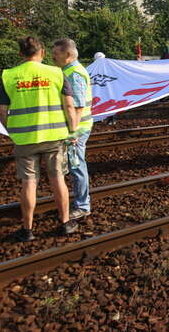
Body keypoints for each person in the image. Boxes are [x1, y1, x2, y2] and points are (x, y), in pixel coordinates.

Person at [0, 37, 78, 241]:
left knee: (29, 183)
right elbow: (69, 106)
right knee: (58, 179)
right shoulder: (56, 73)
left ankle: (27, 230)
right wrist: (73, 131)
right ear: (41, 52)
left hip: (24, 139)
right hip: (54, 137)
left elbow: (1, 110)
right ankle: (65, 223)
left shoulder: (9, 76)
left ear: (20, 54)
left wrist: (12, 129)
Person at [52, 38, 93, 220]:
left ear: (67, 55)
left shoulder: (74, 73)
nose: (53, 56)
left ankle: (83, 206)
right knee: (75, 165)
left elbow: (77, 106)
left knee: (77, 166)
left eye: (56, 53)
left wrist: (73, 132)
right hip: (77, 126)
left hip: (78, 128)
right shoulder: (68, 70)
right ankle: (79, 202)